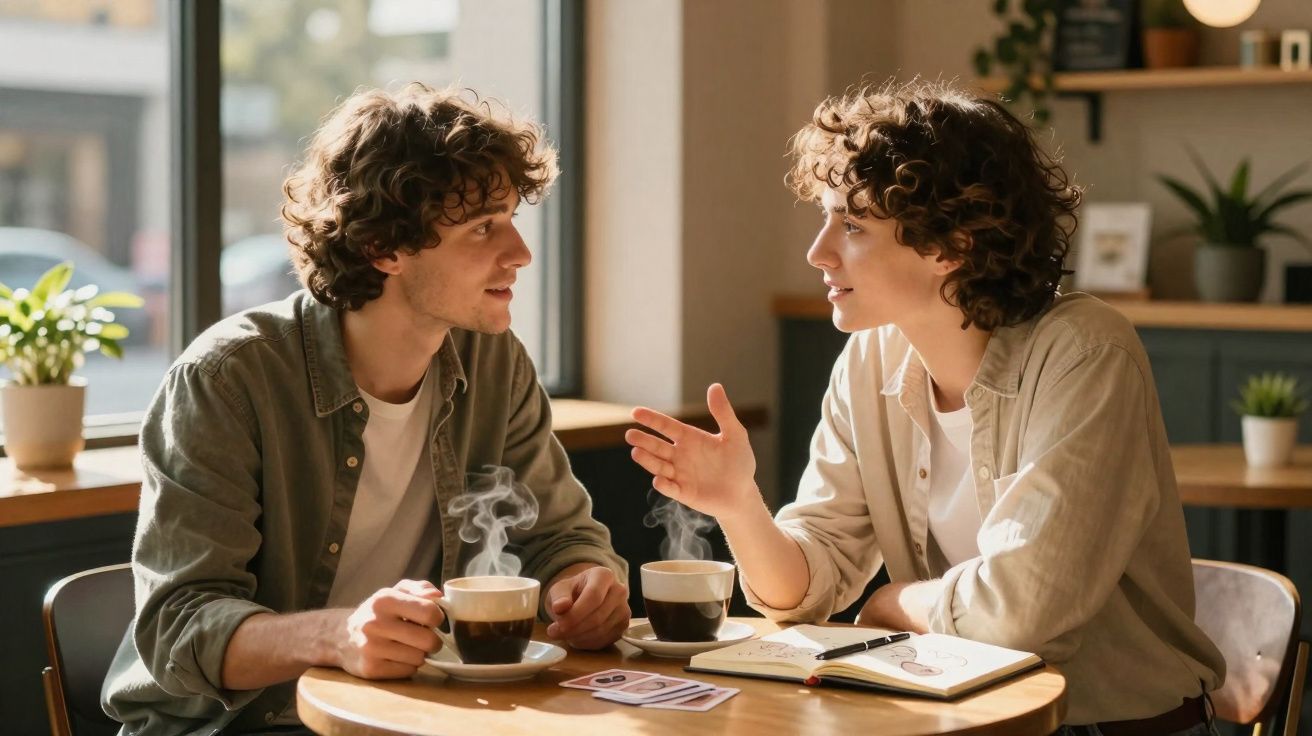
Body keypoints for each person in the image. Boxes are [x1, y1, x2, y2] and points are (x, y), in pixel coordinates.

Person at [625, 80, 1224, 734]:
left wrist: (893, 601)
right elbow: (806, 587)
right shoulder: (869, 359)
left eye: (851, 225)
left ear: (951, 246)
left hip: (1106, 725)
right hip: (951, 716)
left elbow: (1021, 613)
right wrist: (739, 506)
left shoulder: (1084, 355)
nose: (817, 252)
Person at [104, 83, 629, 735]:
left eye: (513, 220)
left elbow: (559, 537)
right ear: (384, 248)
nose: (520, 253)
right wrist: (336, 636)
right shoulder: (228, 378)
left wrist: (583, 584)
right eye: (483, 227)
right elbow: (178, 628)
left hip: (417, 712)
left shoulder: (495, 362)